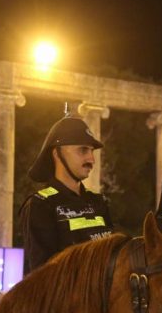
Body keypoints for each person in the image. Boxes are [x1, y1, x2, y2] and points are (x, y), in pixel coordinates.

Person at [19, 113, 114, 273]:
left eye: (91, 151)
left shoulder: (98, 202)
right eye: (83, 150)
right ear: (57, 154)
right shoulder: (40, 205)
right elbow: (43, 274)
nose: (92, 159)